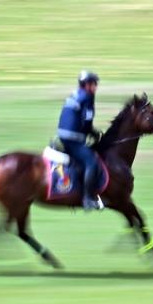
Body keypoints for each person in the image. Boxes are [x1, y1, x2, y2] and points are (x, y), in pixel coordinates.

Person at [56, 69, 104, 210]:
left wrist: (89, 132)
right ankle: (88, 199)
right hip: (73, 139)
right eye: (94, 84)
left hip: (63, 135)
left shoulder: (76, 94)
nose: (95, 87)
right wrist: (93, 133)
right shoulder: (88, 97)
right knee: (91, 162)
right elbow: (87, 121)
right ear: (87, 85)